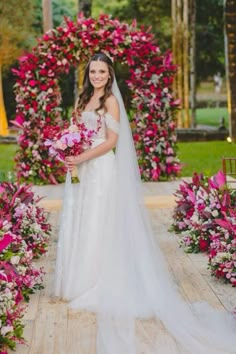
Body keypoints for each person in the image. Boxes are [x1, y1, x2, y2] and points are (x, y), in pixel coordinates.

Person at [53, 53, 236, 354]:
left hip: (103, 170)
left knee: (102, 221)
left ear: (110, 74)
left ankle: (100, 280)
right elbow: (81, 134)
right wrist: (71, 151)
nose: (97, 76)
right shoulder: (83, 98)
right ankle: (81, 279)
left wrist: (82, 156)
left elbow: (111, 141)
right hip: (87, 169)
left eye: (102, 71)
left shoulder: (110, 100)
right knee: (87, 220)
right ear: (88, 74)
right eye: (93, 71)